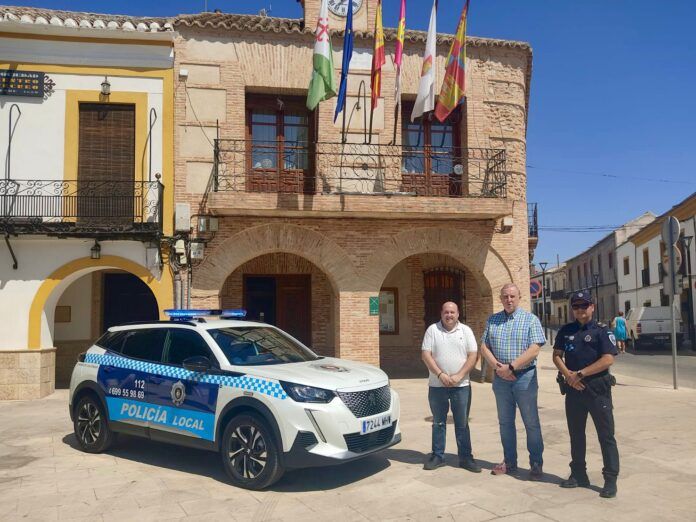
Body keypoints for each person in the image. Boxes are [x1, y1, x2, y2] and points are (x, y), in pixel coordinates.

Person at [552, 291, 620, 498]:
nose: (580, 309)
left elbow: (608, 359)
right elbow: (556, 355)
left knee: (606, 435)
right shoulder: (566, 330)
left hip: (597, 389)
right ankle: (579, 474)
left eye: (584, 305)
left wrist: (580, 374)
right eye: (576, 306)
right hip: (574, 390)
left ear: (592, 306)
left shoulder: (601, 331)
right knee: (576, 434)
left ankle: (610, 479)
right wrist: (569, 376)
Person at [480, 283, 546, 480]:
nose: (509, 300)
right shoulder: (493, 320)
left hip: (524, 377)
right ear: (500, 299)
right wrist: (498, 367)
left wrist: (512, 367)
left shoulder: (530, 320)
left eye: (512, 296)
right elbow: (484, 346)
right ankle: (510, 462)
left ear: (519, 297)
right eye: (505, 296)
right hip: (501, 379)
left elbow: (534, 348)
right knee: (505, 423)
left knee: (531, 422)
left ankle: (536, 463)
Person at [421, 301, 481, 472]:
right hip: (436, 385)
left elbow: (473, 355)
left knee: (462, 423)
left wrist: (459, 376)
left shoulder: (466, 331)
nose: (449, 315)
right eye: (446, 312)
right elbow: (426, 354)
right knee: (438, 422)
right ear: (441, 313)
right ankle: (438, 456)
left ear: (458, 314)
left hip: (461, 385)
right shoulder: (432, 330)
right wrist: (441, 374)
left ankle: (465, 458)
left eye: (452, 312)